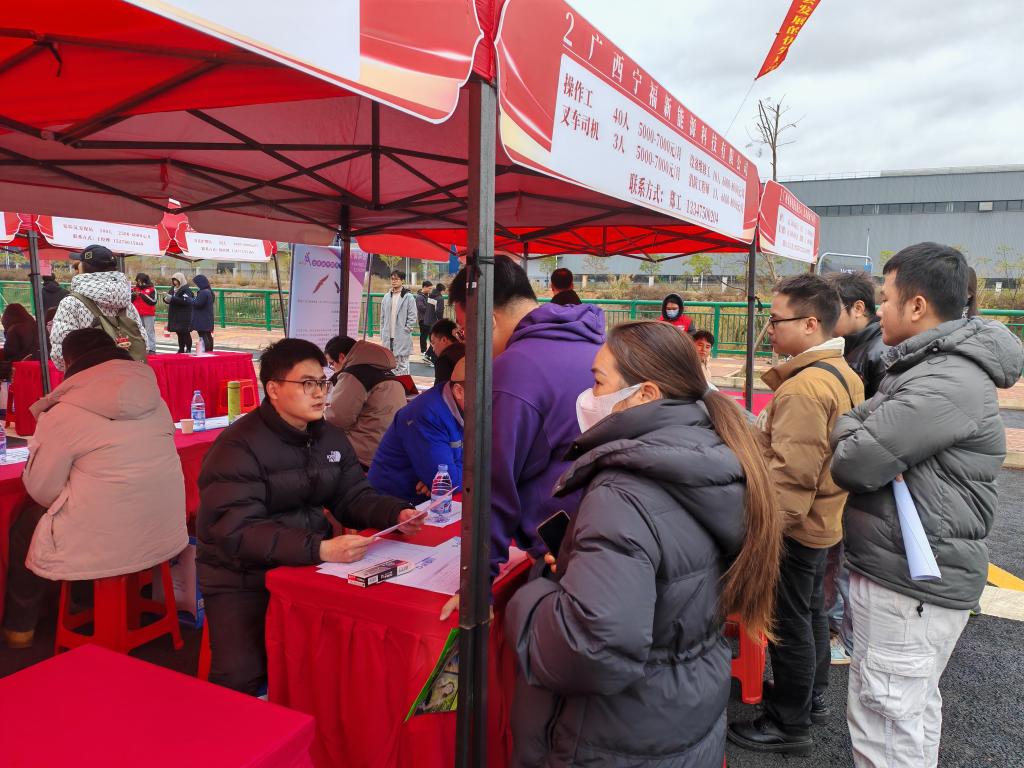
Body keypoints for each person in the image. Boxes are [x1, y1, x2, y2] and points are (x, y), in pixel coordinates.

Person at [505, 321, 782, 768]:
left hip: (613, 734)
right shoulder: (711, 453)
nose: (587, 396)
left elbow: (591, 648)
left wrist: (534, 595)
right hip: (682, 712)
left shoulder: (624, 491)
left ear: (646, 393)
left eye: (598, 382)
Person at [830, 243, 1023, 768]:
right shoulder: (926, 368)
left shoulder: (944, 379)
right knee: (906, 714)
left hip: (910, 583)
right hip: (907, 574)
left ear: (917, 306)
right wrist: (856, 427)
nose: (879, 310)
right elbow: (857, 421)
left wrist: (853, 430)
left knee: (886, 724)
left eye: (886, 298)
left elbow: (854, 461)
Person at [197, 338, 424, 695]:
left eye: (323, 382)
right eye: (307, 384)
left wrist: (395, 512)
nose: (319, 393)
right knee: (243, 677)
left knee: (332, 661)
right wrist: (321, 548)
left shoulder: (329, 437)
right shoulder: (237, 447)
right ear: (273, 389)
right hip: (242, 576)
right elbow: (237, 530)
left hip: (307, 566)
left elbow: (351, 495)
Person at [728, 274, 864, 756]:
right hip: (824, 519)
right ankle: (809, 699)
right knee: (809, 614)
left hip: (796, 525)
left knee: (788, 622)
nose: (770, 328)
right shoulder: (841, 372)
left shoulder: (804, 388)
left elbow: (791, 476)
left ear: (810, 324)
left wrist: (762, 534)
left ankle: (789, 722)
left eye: (776, 319)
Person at [2, 328, 187, 649]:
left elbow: (41, 490)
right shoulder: (156, 402)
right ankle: (85, 601)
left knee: (26, 526)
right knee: (92, 511)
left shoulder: (63, 413)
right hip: (163, 531)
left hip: (105, 539)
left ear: (70, 364)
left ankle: (20, 629)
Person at [442, 256, 604, 619]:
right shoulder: (596, 345)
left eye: (465, 331)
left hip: (564, 558)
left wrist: (476, 585)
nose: (468, 344)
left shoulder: (514, 369)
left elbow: (492, 484)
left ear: (487, 320)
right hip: (607, 538)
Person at [822, 270, 889, 666]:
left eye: (833, 310)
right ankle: (835, 628)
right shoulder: (851, 346)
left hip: (859, 472)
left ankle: (846, 638)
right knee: (838, 556)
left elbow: (878, 422)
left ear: (858, 308)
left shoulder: (879, 352)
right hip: (846, 466)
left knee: (849, 559)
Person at [368, 358, 466, 503]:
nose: (491, 399)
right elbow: (447, 482)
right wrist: (446, 479)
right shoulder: (426, 414)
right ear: (459, 391)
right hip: (394, 502)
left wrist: (446, 477)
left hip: (428, 501)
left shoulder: (465, 407)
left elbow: (487, 459)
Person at [48, 244, 148, 370]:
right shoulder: (126, 302)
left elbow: (60, 356)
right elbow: (144, 343)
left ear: (83, 267)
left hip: (90, 377)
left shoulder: (71, 303)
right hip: (129, 375)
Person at [324, 340, 407, 469]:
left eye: (331, 364)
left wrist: (323, 413)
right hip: (391, 450)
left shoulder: (354, 374)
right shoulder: (388, 373)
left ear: (341, 357)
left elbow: (338, 419)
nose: (333, 369)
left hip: (364, 454)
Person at [379, 270, 418, 375]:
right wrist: (382, 331)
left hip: (401, 335)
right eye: (392, 279)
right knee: (390, 363)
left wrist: (407, 329)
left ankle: (404, 384)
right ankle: (393, 383)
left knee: (403, 365)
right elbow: (382, 317)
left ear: (402, 280)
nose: (394, 281)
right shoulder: (386, 297)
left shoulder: (408, 297)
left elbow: (412, 315)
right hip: (388, 335)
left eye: (396, 279)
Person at [1, 303, 41, 379]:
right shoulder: (38, 326)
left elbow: (10, 357)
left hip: (21, 371)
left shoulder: (13, 330)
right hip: (40, 369)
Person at [163, 272, 194, 354]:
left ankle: (188, 348)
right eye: (173, 280)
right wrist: (166, 299)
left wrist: (172, 298)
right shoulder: (173, 288)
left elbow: (186, 301)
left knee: (185, 332)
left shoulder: (186, 289)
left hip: (184, 314)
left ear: (181, 280)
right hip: (175, 314)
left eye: (176, 280)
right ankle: (181, 348)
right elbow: (169, 297)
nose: (174, 282)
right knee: (178, 332)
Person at [429, 318, 466, 385]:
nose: (433, 349)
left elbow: (440, 390)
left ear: (444, 340)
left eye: (433, 343)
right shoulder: (466, 350)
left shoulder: (444, 360)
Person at [131, 273, 158, 354]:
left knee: (149, 331)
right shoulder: (134, 289)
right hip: (137, 313)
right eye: (138, 281)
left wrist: (142, 295)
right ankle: (141, 348)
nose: (139, 283)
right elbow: (129, 300)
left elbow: (153, 301)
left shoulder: (152, 289)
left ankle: (152, 348)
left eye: (141, 281)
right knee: (138, 331)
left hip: (148, 313)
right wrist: (133, 295)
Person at [190, 274, 215, 352]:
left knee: (203, 335)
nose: (196, 286)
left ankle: (206, 351)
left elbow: (198, 303)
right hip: (207, 317)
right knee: (208, 335)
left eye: (196, 284)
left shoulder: (203, 292)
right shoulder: (209, 291)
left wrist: (190, 300)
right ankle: (210, 351)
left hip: (202, 318)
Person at [415, 280, 434, 363]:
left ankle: (429, 352)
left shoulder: (429, 295)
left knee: (431, 335)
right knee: (424, 335)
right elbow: (421, 308)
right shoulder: (419, 297)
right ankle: (423, 351)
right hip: (423, 319)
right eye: (429, 288)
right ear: (425, 287)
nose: (430, 290)